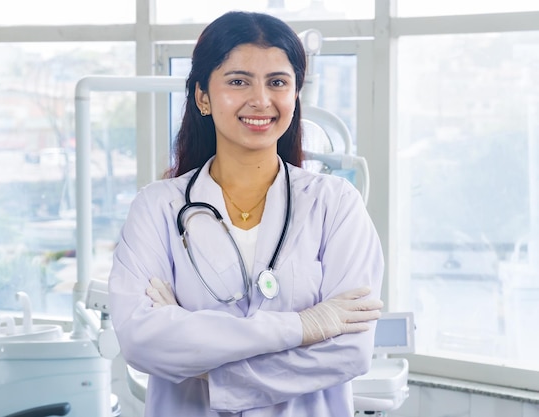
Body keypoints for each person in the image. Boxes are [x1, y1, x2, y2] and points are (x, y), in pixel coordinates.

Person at [108, 10, 384, 417]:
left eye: (277, 82)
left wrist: (203, 365)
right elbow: (140, 341)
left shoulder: (335, 203)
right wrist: (303, 327)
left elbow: (349, 352)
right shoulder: (157, 208)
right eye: (238, 81)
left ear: (294, 96)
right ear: (202, 96)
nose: (261, 100)